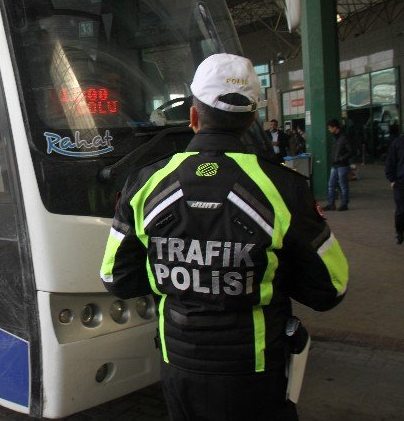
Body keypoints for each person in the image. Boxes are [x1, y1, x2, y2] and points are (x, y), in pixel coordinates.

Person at [100, 53, 348, 421]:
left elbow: (116, 278)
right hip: (255, 367)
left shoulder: (145, 183)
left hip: (179, 364)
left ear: (194, 116)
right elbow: (330, 288)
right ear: (251, 119)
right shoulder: (284, 188)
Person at [385, 117, 404, 244]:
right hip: (401, 183)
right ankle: (399, 231)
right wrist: (392, 179)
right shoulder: (398, 143)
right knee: (403, 211)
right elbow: (390, 162)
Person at [323, 119, 353, 211]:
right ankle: (331, 204)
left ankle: (344, 204)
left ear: (335, 127)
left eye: (329, 128)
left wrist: (341, 158)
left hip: (342, 165)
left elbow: (351, 151)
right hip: (335, 164)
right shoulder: (335, 137)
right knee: (331, 184)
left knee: (343, 185)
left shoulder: (344, 137)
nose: (329, 129)